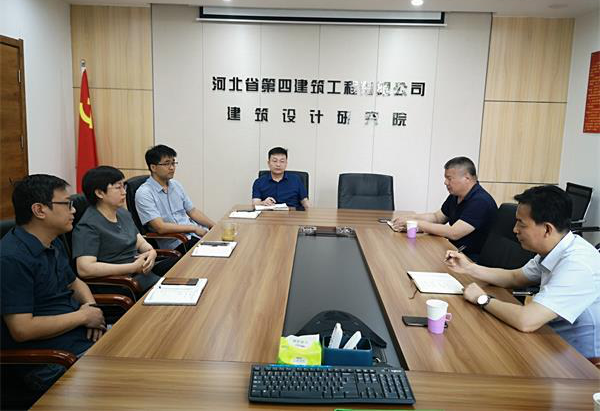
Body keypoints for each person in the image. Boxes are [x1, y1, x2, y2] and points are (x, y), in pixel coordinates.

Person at [445, 185, 600, 360]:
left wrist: (482, 299)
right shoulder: (555, 248)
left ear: (547, 229)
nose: (515, 229)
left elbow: (526, 320)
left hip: (578, 359)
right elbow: (515, 277)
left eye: (521, 223)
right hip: (549, 338)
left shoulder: (578, 265)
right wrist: (469, 267)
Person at [0, 174, 106, 391]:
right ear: (39, 210)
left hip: (78, 338)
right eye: (67, 204)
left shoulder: (51, 241)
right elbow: (22, 329)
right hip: (52, 360)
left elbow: (75, 283)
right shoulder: (11, 258)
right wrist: (84, 316)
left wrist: (92, 308)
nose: (73, 210)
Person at [73, 166, 176, 294]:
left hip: (140, 272)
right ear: (99, 193)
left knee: (179, 267)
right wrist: (132, 267)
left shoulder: (122, 213)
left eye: (124, 187)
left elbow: (140, 242)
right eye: (118, 188)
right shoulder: (88, 225)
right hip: (120, 283)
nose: (124, 192)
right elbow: (85, 269)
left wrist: (151, 252)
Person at [392, 156, 497, 261]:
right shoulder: (456, 195)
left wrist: (417, 224)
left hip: (470, 260)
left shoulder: (481, 201)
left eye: (449, 178)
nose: (445, 182)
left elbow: (454, 233)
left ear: (467, 178)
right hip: (453, 251)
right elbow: (437, 217)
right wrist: (410, 217)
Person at [135, 145, 215, 253]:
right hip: (177, 242)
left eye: (173, 163)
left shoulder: (176, 185)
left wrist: (215, 226)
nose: (172, 167)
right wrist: (193, 228)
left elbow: (193, 211)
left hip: (194, 235)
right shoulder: (144, 193)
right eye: (167, 164)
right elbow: (160, 227)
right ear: (153, 167)